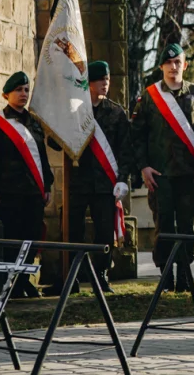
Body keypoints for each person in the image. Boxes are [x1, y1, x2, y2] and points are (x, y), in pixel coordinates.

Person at [124, 43, 194, 292]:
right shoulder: (149, 97)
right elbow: (137, 136)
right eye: (169, 63)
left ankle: (184, 274)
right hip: (160, 174)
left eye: (178, 62)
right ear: (161, 66)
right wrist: (144, 167)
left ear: (185, 65)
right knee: (163, 223)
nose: (174, 67)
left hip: (190, 174)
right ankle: (165, 275)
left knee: (187, 224)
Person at [69, 61, 130, 293]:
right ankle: (72, 276)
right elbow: (57, 142)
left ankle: (101, 275)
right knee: (74, 231)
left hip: (105, 183)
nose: (105, 84)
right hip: (79, 181)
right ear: (89, 84)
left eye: (107, 79)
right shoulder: (76, 112)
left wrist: (123, 178)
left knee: (104, 232)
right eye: (99, 80)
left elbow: (125, 150)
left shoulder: (116, 113)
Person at [0, 71, 54, 298]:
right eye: (18, 90)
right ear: (6, 94)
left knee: (31, 238)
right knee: (13, 239)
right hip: (10, 192)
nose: (23, 94)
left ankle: (25, 280)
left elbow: (42, 156)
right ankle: (12, 284)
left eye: (26, 90)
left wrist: (46, 184)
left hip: (33, 191)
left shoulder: (34, 123)